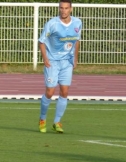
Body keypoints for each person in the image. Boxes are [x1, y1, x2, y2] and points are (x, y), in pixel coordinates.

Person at [38, 0, 82, 133]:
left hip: (66, 62)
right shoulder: (52, 24)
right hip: (52, 61)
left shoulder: (77, 23)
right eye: (61, 8)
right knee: (50, 92)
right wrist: (45, 58)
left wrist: (75, 58)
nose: (63, 11)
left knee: (64, 92)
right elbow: (41, 42)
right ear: (59, 9)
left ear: (71, 9)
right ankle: (42, 118)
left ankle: (57, 122)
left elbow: (77, 41)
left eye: (66, 8)